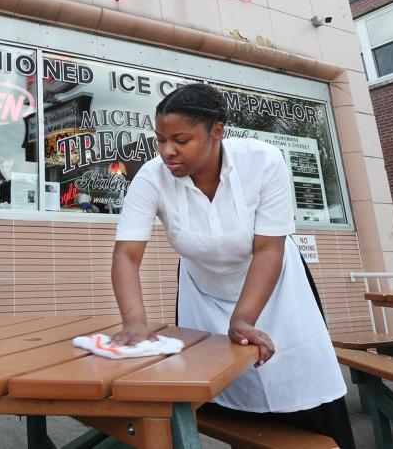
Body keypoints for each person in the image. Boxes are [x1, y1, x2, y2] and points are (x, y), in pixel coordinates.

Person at [110, 83, 354, 448]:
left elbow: (269, 249)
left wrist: (243, 318)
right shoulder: (151, 177)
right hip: (202, 291)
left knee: (302, 393)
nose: (167, 151)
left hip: (276, 287)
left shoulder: (263, 161)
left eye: (180, 139)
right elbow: (127, 255)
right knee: (224, 401)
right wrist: (134, 322)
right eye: (160, 139)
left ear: (217, 131)